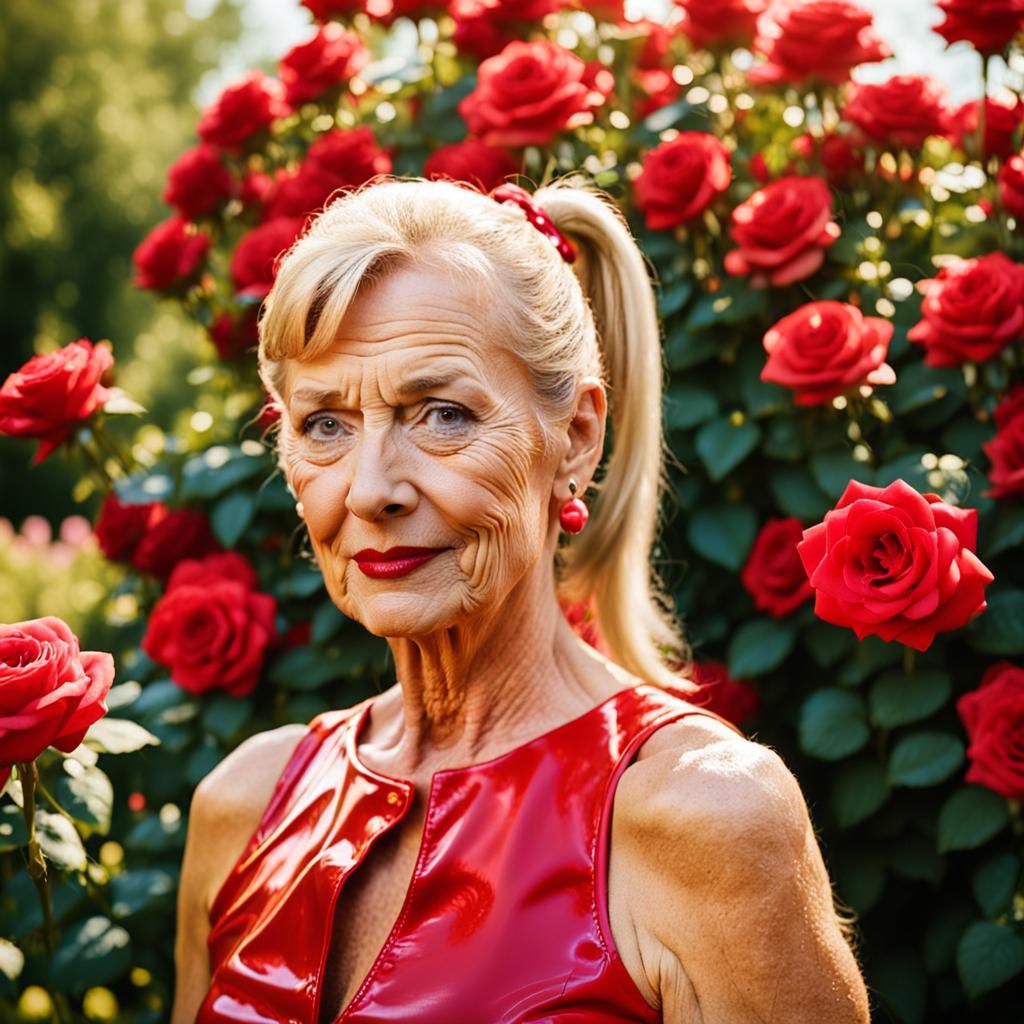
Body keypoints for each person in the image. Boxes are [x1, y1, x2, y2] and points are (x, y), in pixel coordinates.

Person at [171, 175, 871, 1023]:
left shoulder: (704, 818)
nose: (370, 490)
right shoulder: (244, 803)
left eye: (441, 414)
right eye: (325, 423)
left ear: (576, 435)